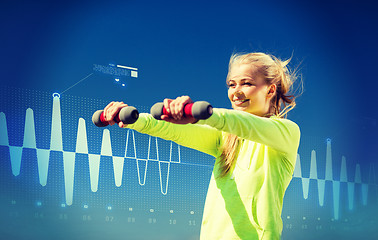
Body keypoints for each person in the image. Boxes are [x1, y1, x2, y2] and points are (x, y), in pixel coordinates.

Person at [102, 52, 301, 240]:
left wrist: (202, 115)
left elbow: (240, 122)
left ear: (270, 89)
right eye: (232, 85)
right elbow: (172, 130)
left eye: (246, 83)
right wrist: (132, 118)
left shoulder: (286, 133)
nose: (236, 92)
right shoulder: (224, 138)